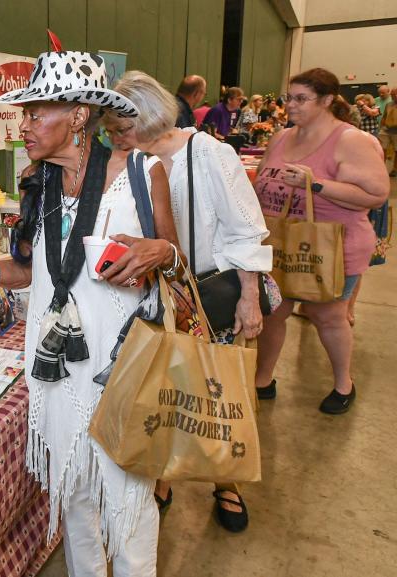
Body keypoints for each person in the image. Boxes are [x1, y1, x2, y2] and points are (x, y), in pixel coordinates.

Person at [0, 50, 181, 577]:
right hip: (57, 370)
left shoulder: (141, 172)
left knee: (128, 501)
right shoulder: (37, 183)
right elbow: (32, 271)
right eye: (25, 113)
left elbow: (178, 263)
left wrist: (160, 253)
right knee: (75, 494)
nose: (25, 125)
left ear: (79, 116)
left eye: (37, 112)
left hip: (121, 368)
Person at [108, 71, 275, 533]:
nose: (115, 137)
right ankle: (165, 472)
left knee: (216, 392)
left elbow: (246, 230)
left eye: (121, 128)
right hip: (161, 295)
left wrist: (249, 300)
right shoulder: (129, 164)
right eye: (110, 130)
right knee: (169, 389)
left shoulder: (209, 154)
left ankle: (226, 479)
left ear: (147, 118)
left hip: (212, 295)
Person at [254, 68, 389, 414]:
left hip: (331, 248)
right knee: (273, 313)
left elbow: (376, 194)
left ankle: (344, 383)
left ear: (327, 100)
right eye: (289, 98)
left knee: (327, 316)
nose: (291, 106)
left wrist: (315, 185)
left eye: (301, 99)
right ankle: (263, 379)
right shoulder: (283, 137)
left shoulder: (350, 140)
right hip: (280, 244)